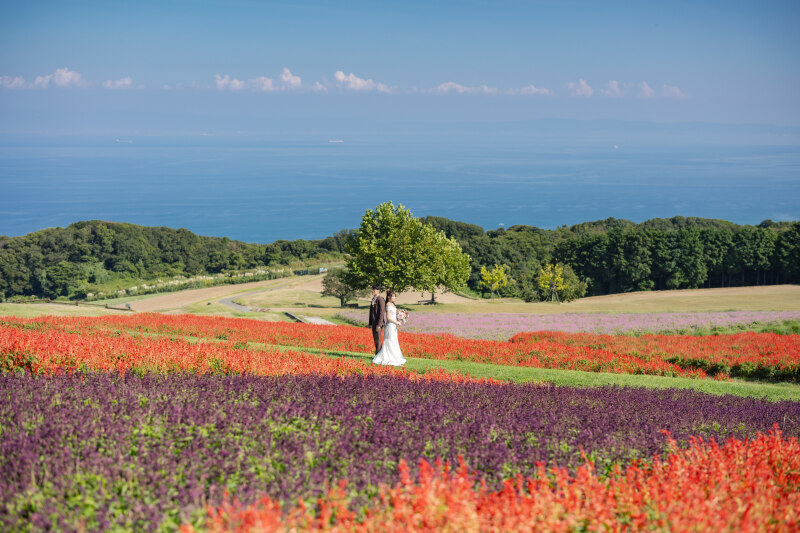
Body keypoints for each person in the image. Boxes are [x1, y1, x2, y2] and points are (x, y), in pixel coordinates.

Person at [372, 290, 406, 366]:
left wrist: (401, 315)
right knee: (390, 341)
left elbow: (395, 314)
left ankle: (395, 356)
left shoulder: (392, 304)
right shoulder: (388, 305)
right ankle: (389, 357)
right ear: (389, 297)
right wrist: (396, 322)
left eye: (394, 296)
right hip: (390, 325)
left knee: (394, 341)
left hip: (393, 326)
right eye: (393, 296)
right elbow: (388, 318)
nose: (394, 297)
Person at [368, 284, 386, 354]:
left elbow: (381, 313)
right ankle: (378, 354)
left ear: (378, 290)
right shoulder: (373, 299)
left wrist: (379, 325)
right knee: (375, 339)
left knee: (378, 339)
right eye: (372, 289)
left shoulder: (380, 300)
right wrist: (370, 323)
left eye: (374, 289)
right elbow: (371, 312)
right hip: (373, 322)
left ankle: (378, 355)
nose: (373, 291)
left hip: (378, 323)